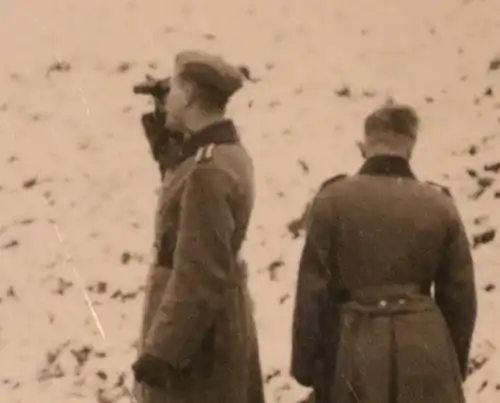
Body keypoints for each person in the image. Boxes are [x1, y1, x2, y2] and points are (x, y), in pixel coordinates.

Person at [290, 103, 477, 403]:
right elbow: (459, 296)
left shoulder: (331, 200)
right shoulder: (440, 204)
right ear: (411, 145)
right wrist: (452, 361)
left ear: (364, 145)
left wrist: (307, 366)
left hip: (356, 347)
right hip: (427, 346)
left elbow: (312, 292)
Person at [132, 50, 265, 403]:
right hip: (213, 326)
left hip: (196, 342)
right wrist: (164, 121)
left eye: (174, 87)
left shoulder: (207, 169)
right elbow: (176, 175)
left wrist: (162, 352)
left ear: (189, 94)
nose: (168, 94)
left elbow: (199, 272)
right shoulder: (224, 154)